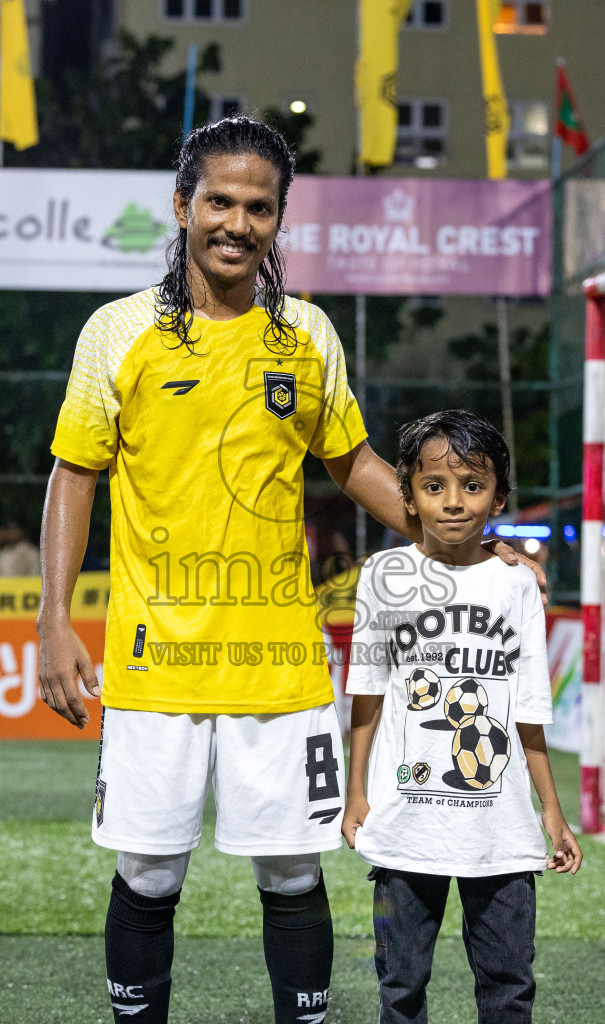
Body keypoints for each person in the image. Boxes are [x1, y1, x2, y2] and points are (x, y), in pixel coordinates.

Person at [36, 118, 546, 1024]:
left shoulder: (305, 334)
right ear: (182, 204)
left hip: (279, 660)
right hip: (156, 659)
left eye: (258, 207)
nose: (237, 222)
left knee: (291, 870)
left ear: (278, 218)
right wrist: (53, 619)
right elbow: (75, 473)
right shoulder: (117, 333)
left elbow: (351, 463)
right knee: (148, 870)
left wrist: (468, 540)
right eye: (220, 201)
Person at [342, 409, 582, 1024]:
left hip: (499, 834)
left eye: (472, 486)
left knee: (508, 987)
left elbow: (528, 709)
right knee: (400, 987)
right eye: (434, 486)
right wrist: (355, 792)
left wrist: (551, 813)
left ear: (498, 495)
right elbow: (366, 691)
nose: (454, 502)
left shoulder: (517, 586)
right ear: (409, 494)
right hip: (405, 826)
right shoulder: (383, 575)